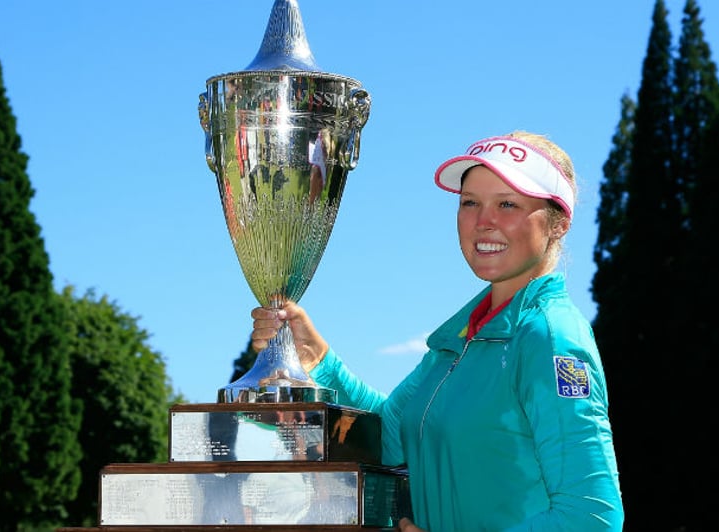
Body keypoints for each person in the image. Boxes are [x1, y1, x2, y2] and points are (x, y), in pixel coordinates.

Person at [251, 131, 624, 531]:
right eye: (470, 203)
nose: (484, 221)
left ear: (558, 224)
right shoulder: (457, 340)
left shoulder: (549, 337)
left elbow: (593, 517)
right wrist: (318, 360)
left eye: (507, 204)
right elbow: (387, 436)